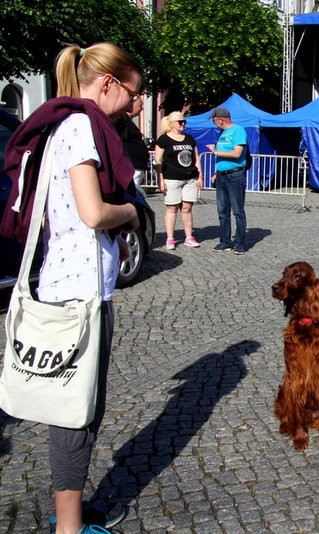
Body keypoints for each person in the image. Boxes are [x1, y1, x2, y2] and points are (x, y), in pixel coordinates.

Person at [0, 42, 142, 534]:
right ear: (108, 83)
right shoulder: (81, 125)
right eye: (132, 94)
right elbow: (93, 212)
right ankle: (68, 528)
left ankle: (74, 514)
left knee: (78, 409)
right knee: (76, 413)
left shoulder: (65, 122)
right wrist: (132, 215)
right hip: (79, 289)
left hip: (70, 280)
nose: (134, 105)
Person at [155, 111, 203, 250]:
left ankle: (189, 237)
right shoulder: (163, 139)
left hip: (189, 178)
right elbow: (158, 161)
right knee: (172, 208)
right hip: (171, 179)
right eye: (179, 122)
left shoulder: (189, 138)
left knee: (187, 208)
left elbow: (196, 158)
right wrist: (161, 179)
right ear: (171, 124)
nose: (183, 124)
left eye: (184, 122)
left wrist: (200, 176)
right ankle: (170, 238)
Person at [206, 107, 248, 255]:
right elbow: (224, 156)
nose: (214, 123)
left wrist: (216, 151)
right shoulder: (223, 133)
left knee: (237, 211)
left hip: (235, 176)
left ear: (220, 119)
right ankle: (225, 241)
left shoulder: (238, 131)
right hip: (222, 175)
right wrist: (217, 173)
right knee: (222, 211)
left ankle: (240, 243)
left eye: (214, 120)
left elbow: (237, 153)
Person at [114, 96, 148, 187]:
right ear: (131, 104)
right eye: (140, 105)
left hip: (136, 165)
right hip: (131, 164)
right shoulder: (122, 120)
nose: (142, 108)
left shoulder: (128, 120)